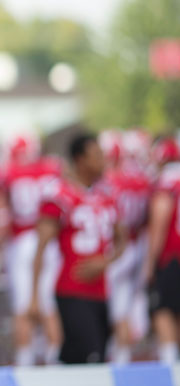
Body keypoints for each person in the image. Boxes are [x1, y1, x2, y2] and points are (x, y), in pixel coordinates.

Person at [30, 132, 127, 364]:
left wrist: (106, 261)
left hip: (101, 289)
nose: (103, 161)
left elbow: (123, 239)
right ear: (80, 159)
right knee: (89, 354)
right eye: (96, 156)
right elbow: (41, 247)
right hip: (71, 287)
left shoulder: (107, 193)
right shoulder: (59, 194)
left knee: (92, 356)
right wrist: (34, 296)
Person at [0, 132, 62, 366]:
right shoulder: (52, 169)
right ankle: (54, 362)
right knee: (48, 305)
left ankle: (25, 364)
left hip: (23, 241)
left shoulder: (8, 173)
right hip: (49, 242)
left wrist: (0, 249)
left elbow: (2, 217)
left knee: (23, 307)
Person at [103, 129, 152, 363]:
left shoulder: (110, 182)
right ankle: (121, 359)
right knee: (122, 309)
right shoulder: (144, 180)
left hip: (115, 249)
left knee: (110, 310)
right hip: (135, 245)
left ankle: (114, 358)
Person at [143, 136, 180, 364]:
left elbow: (160, 221)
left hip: (172, 254)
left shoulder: (167, 181)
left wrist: (149, 262)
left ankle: (170, 362)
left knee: (163, 309)